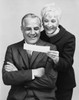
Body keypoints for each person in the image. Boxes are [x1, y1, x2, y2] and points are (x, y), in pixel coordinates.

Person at [2, 13, 58, 100]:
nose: (32, 33)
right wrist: (34, 72)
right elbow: (7, 78)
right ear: (22, 29)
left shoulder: (51, 48)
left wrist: (18, 73)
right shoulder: (12, 49)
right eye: (28, 29)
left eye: (36, 28)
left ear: (40, 28)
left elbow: (50, 82)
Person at [40, 3, 76, 100]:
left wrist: (57, 60)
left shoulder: (69, 38)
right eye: (46, 21)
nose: (49, 25)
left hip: (63, 84)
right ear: (42, 22)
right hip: (44, 83)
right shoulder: (39, 35)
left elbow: (67, 64)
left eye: (53, 21)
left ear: (58, 21)